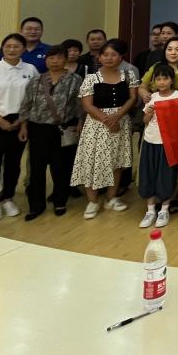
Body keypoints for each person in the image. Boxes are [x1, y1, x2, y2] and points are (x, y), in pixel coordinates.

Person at [71, 40, 139, 220]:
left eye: (113, 55)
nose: (109, 58)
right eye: (105, 54)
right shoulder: (91, 78)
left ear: (120, 57)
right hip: (96, 125)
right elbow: (87, 105)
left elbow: (132, 98)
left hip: (121, 123)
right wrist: (108, 120)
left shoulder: (128, 75)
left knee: (117, 161)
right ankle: (92, 201)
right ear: (99, 57)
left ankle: (111, 198)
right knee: (92, 161)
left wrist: (117, 116)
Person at [0, 32, 38, 221]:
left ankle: (8, 197)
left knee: (13, 162)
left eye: (16, 46)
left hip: (20, 121)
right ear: (2, 48)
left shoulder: (30, 69)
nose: (12, 49)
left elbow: (32, 99)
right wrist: (0, 121)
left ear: (24, 49)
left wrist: (23, 124)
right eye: (8, 46)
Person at [17, 46, 82, 221]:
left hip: (63, 129)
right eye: (51, 58)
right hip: (38, 129)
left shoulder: (75, 80)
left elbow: (80, 104)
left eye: (59, 57)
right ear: (46, 60)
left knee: (61, 168)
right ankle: (35, 206)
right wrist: (23, 126)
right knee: (36, 168)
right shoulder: (36, 80)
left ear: (65, 59)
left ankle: (60, 201)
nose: (55, 61)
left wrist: (80, 123)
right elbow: (26, 105)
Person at [138, 64, 178, 229]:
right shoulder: (152, 97)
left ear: (172, 80)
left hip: (168, 144)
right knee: (148, 174)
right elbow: (144, 121)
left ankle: (164, 209)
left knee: (167, 176)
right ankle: (150, 210)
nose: (162, 82)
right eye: (158, 79)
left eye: (165, 78)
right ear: (154, 81)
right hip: (150, 141)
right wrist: (149, 114)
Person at [139, 36, 178, 102]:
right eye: (169, 49)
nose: (173, 53)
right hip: (156, 103)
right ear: (165, 51)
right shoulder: (156, 67)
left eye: (177, 49)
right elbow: (142, 87)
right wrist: (145, 95)